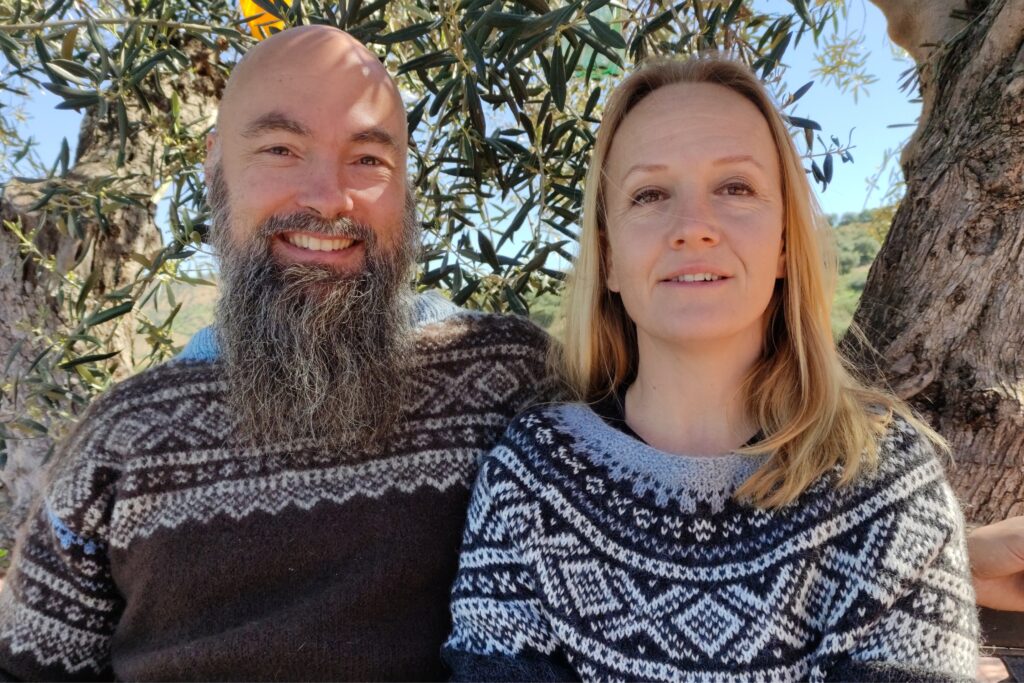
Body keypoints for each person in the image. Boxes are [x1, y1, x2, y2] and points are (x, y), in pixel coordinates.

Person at [0, 25, 554, 680]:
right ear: (215, 168)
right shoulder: (122, 435)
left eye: (368, 159)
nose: (328, 197)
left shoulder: (513, 379)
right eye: (281, 149)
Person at [443, 55, 979, 681]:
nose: (693, 228)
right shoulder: (531, 480)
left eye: (736, 188)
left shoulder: (883, 480)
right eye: (649, 194)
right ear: (609, 258)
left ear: (784, 245)